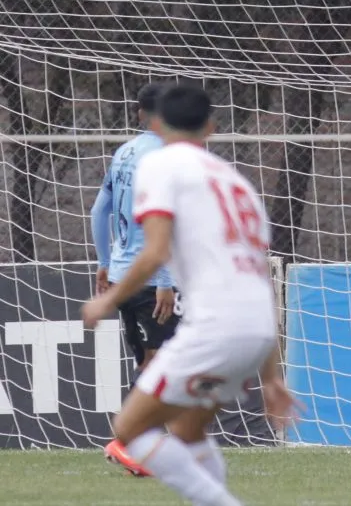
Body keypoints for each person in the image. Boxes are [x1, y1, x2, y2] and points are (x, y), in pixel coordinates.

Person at [82, 84, 296, 506]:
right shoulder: (238, 185)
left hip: (214, 328)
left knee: (130, 431)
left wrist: (107, 299)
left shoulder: (161, 165)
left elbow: (155, 250)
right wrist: (271, 376)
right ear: (211, 128)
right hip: (255, 332)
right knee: (188, 433)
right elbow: (257, 279)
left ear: (155, 123)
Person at [90, 82, 179, 475]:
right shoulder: (165, 157)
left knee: (151, 362)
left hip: (123, 275)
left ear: (141, 112)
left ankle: (143, 443)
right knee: (160, 363)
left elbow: (99, 209)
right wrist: (165, 278)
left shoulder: (124, 152)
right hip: (148, 276)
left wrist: (104, 261)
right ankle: (125, 441)